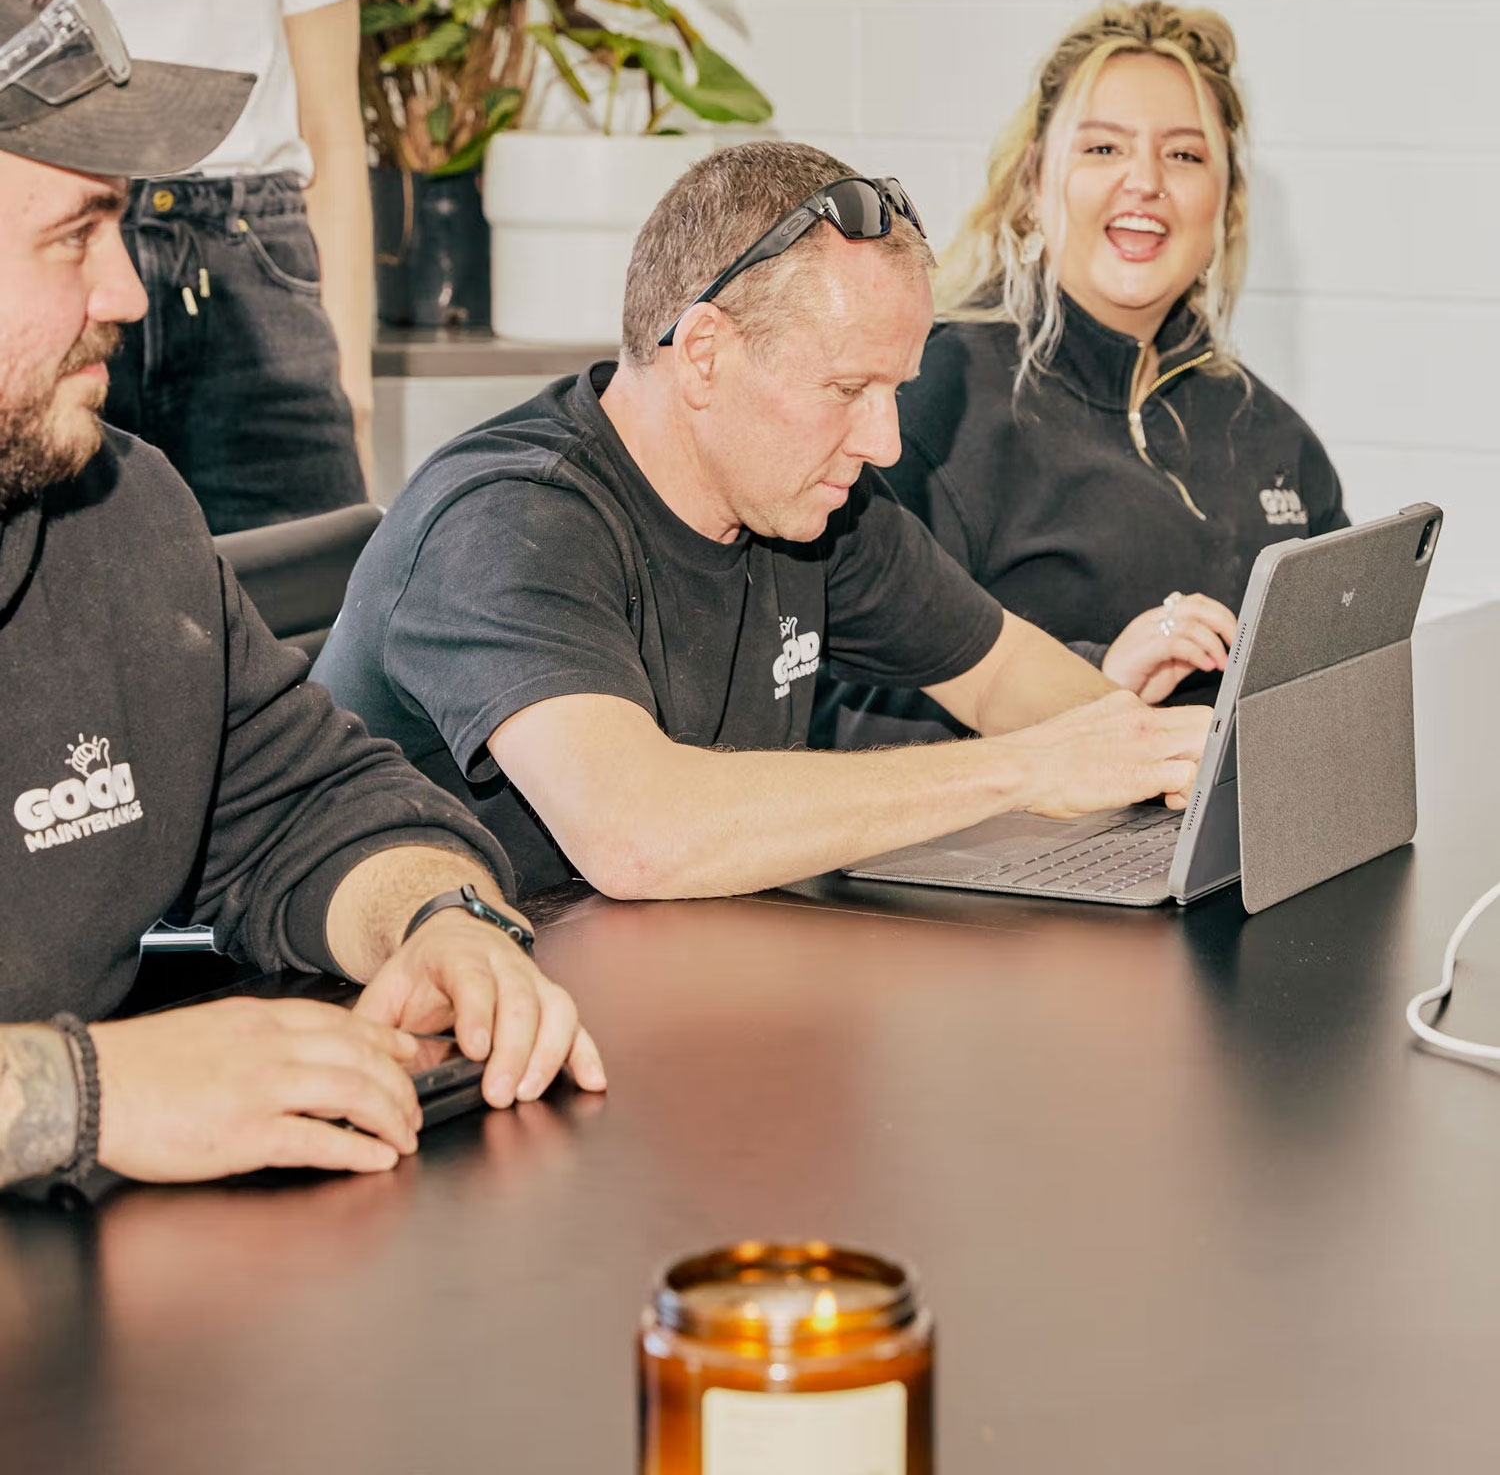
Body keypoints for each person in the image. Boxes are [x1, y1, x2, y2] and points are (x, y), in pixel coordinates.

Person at [0, 0, 604, 1195]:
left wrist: (439, 921)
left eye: (122, 224)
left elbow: (302, 801)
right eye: (73, 237)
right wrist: (94, 1095)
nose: (126, 291)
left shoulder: (120, 511)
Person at [312, 141, 1210, 904]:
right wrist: (1026, 769)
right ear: (704, 353)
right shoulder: (507, 521)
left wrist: (1179, 756)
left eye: (893, 391)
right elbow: (639, 834)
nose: (886, 441)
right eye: (849, 389)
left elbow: (1000, 670)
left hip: (647, 990)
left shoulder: (815, 503)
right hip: (403, 1034)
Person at [815, 0, 1348, 750]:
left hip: (1235, 858)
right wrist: (1090, 683)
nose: (1146, 181)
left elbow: (1347, 701)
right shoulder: (931, 396)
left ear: (1224, 203)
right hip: (995, 860)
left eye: (1186, 155)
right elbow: (832, 712)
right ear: (1035, 184)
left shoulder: (1276, 439)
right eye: (1103, 149)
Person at [0, 0, 382, 531]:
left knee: (309, 601)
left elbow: (332, 130)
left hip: (249, 258)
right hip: (47, 255)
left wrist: (353, 388)